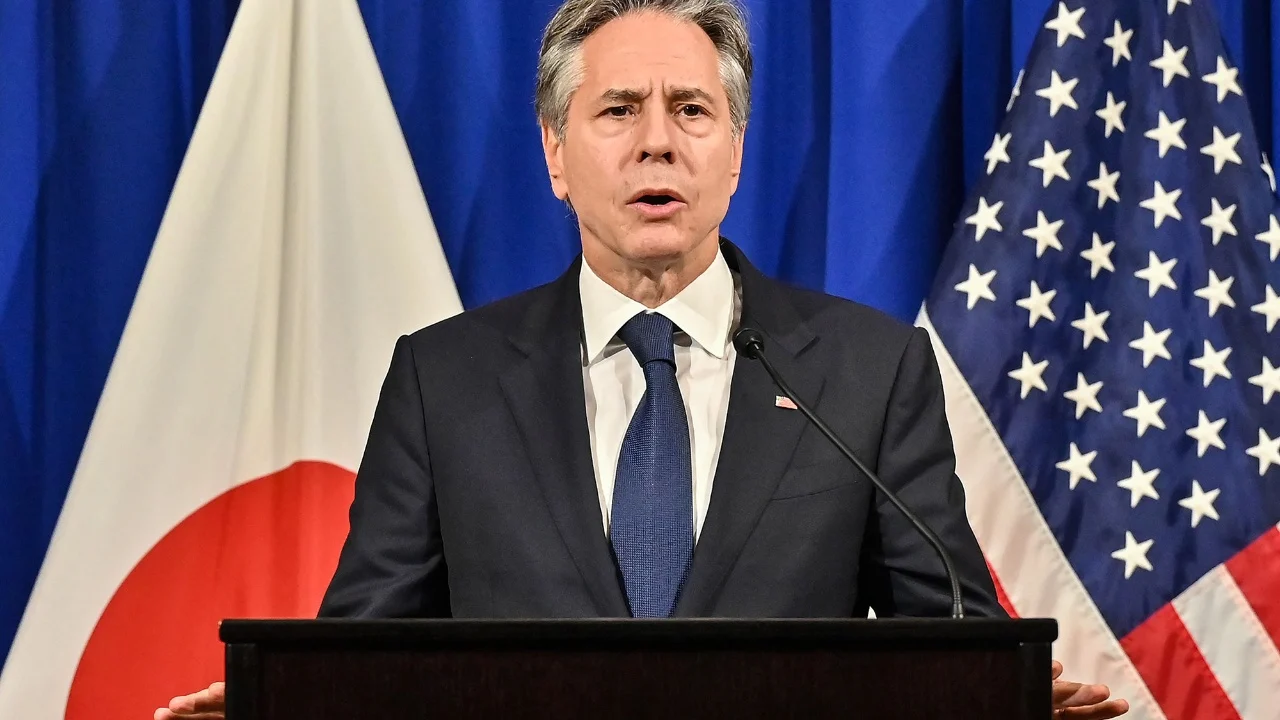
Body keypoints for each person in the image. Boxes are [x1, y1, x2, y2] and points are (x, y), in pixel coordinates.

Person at [157, 0, 1128, 717]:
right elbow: (365, 652)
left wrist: (998, 694)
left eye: (691, 110)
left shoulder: (866, 373)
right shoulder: (442, 381)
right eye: (618, 110)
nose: (657, 143)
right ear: (554, 153)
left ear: (734, 151)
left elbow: (945, 638)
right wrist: (285, 702)